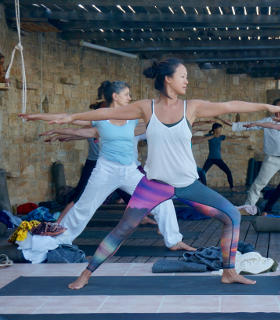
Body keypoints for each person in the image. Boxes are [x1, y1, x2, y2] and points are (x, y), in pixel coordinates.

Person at [49, 58, 280, 288]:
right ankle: (86, 273)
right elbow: (106, 114)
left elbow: (230, 105)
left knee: (231, 216)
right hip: (154, 185)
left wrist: (266, 106)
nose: (187, 81)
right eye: (183, 76)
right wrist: (71, 117)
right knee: (122, 229)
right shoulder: (147, 107)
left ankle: (229, 272)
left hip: (189, 185)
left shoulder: (192, 107)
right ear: (168, 79)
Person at [18, 81, 193, 264]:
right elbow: (68, 117)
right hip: (105, 171)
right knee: (83, 208)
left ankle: (174, 240)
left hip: (130, 171)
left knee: (163, 201)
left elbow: (161, 120)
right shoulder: (100, 118)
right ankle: (60, 242)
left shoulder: (134, 117)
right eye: (126, 94)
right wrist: (36, 116)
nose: (130, 98)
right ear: (115, 97)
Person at [202, 122, 248, 189]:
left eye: (221, 129)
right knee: (202, 173)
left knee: (228, 172)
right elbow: (201, 138)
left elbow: (232, 137)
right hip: (210, 159)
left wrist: (242, 136)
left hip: (218, 159)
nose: (220, 130)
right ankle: (202, 188)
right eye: (219, 129)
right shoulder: (208, 136)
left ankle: (232, 188)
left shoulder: (221, 137)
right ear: (214, 129)